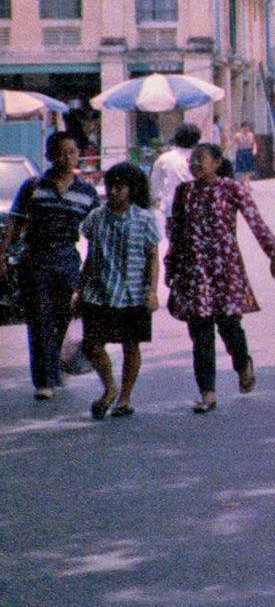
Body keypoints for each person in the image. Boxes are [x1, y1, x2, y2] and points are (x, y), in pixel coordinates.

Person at [167, 143, 275, 413]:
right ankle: (207, 392)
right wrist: (171, 267)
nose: (195, 164)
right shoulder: (183, 192)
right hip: (193, 270)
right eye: (193, 159)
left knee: (229, 325)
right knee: (200, 333)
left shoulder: (232, 188)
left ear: (217, 162)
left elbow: (255, 222)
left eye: (201, 159)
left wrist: (273, 255)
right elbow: (176, 232)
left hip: (225, 270)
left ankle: (243, 363)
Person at [1, 132, 100, 399]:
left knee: (61, 317)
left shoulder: (87, 192)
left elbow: (98, 231)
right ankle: (44, 381)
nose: (67, 157)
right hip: (35, 259)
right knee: (38, 319)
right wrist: (3, 255)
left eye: (72, 151)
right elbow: (14, 221)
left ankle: (55, 364)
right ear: (49, 156)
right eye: (61, 152)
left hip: (67, 259)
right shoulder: (33, 186)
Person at [76, 162, 160, 419]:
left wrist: (152, 291)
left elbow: (153, 257)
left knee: (130, 346)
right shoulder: (95, 218)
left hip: (133, 292)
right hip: (99, 291)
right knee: (92, 344)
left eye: (119, 187)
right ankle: (109, 387)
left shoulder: (145, 219)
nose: (113, 192)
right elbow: (90, 256)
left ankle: (124, 397)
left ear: (132, 190)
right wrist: (80, 289)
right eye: (110, 186)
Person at [151, 123, 201, 213]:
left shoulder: (164, 158)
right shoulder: (201, 158)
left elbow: (155, 184)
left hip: (170, 208)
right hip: (196, 208)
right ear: (196, 140)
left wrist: (153, 200)